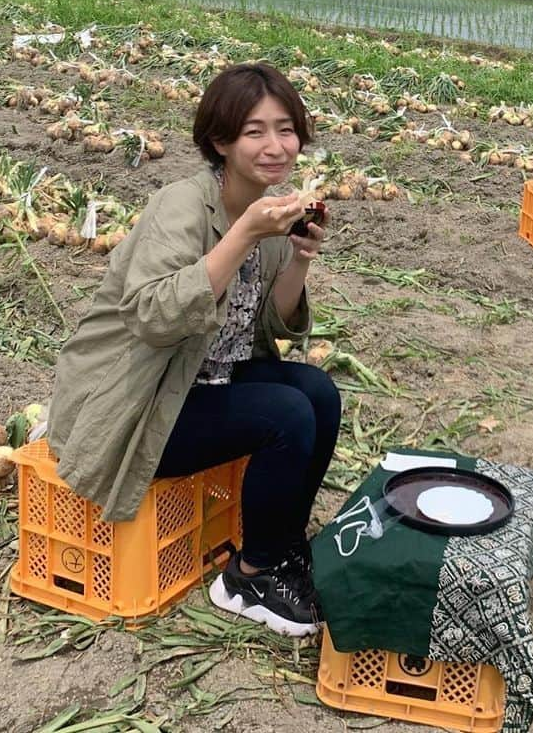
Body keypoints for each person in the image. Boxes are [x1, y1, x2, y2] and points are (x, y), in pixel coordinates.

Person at [48, 62, 341, 636]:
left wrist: (300, 256)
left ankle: (281, 549)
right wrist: (243, 235)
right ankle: (247, 577)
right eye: (255, 131)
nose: (276, 145)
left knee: (318, 392)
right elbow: (154, 315)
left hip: (203, 384)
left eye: (286, 128)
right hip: (137, 402)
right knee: (286, 416)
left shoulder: (270, 209)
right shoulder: (182, 207)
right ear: (220, 141)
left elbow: (277, 324)